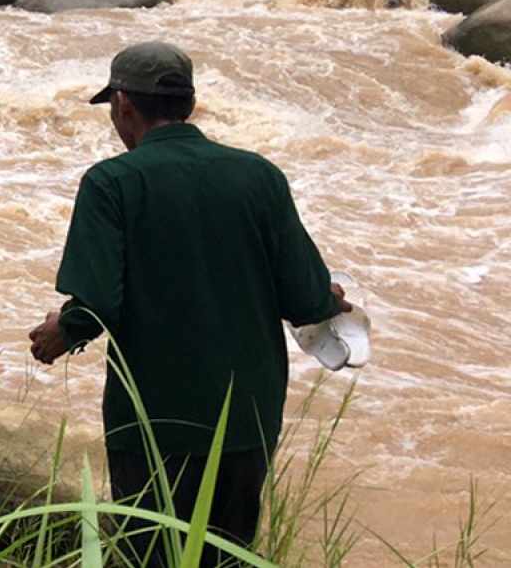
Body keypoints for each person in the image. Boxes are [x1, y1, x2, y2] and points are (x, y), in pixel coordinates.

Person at [27, 41, 350, 568]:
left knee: (148, 552)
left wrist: (64, 330)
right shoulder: (259, 175)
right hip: (246, 418)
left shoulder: (112, 183)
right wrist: (329, 295)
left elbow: (97, 302)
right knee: (229, 554)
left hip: (154, 422)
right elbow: (307, 299)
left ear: (123, 103)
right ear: (190, 105)